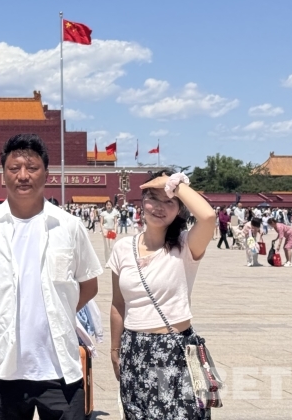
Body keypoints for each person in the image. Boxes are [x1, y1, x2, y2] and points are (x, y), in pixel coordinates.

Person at [0, 134, 102, 420]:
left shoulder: (69, 226)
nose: (23, 175)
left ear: (46, 174)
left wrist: (59, 311)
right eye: (14, 168)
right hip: (3, 369)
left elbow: (89, 285)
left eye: (32, 168)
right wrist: (3, 311)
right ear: (3, 175)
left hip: (60, 370)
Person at [108, 171, 217, 420]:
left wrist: (174, 185)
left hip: (174, 349)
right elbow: (118, 303)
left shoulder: (186, 245)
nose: (159, 207)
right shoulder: (123, 248)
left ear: (179, 208)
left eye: (169, 201)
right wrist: (115, 349)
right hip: (134, 349)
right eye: (153, 198)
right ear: (142, 201)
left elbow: (208, 216)